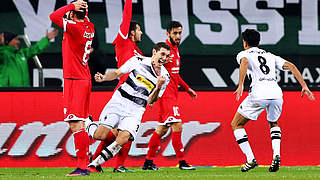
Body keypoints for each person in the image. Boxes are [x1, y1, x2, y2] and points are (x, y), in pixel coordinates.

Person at [231, 29, 315, 172]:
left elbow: (244, 62)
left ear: (245, 43)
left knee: (236, 124)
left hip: (258, 94)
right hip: (276, 94)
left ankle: (250, 159)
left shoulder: (243, 54)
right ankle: (276, 155)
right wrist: (304, 85)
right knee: (273, 123)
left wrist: (240, 84)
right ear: (258, 42)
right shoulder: (270, 55)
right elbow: (291, 66)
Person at [85, 42, 170, 171]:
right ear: (154, 52)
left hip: (137, 109)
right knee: (99, 136)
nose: (164, 58)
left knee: (124, 138)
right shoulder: (138, 60)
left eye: (167, 56)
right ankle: (88, 123)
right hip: (120, 101)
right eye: (162, 54)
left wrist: (158, 87)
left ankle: (94, 164)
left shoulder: (165, 77)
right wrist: (103, 78)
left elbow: (151, 101)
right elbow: (117, 73)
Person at [89, 0, 143, 173]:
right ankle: (88, 124)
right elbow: (126, 17)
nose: (141, 32)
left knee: (122, 134)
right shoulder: (123, 41)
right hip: (123, 94)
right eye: (139, 29)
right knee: (108, 134)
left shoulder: (138, 52)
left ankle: (97, 163)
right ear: (132, 32)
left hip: (137, 97)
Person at [142, 21, 197, 171]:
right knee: (177, 125)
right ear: (168, 33)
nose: (178, 36)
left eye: (180, 32)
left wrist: (187, 88)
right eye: (175, 33)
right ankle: (182, 162)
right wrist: (153, 93)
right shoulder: (164, 51)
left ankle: (148, 162)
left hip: (173, 94)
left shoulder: (176, 50)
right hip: (165, 95)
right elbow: (153, 69)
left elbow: (175, 74)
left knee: (161, 129)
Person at [49, 0, 95, 176]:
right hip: (84, 78)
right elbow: (83, 17)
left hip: (75, 80)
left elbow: (53, 16)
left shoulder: (74, 27)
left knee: (76, 124)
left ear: (73, 14)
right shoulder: (89, 26)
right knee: (81, 124)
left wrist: (70, 6)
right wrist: (78, 8)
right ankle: (84, 164)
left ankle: (82, 166)